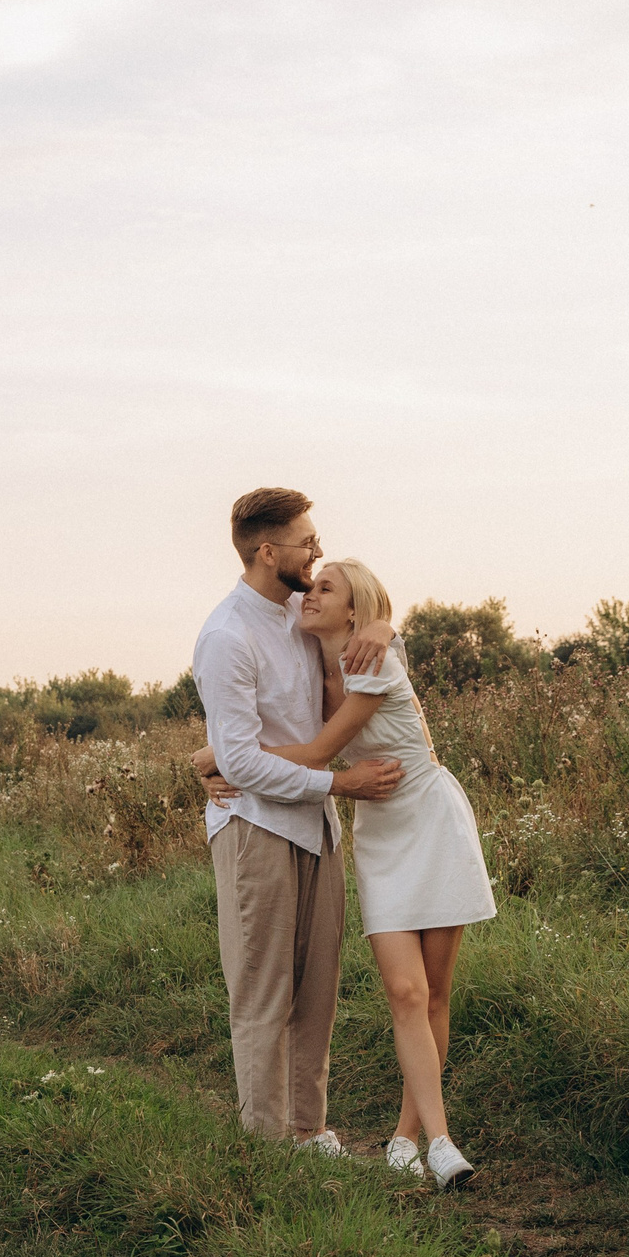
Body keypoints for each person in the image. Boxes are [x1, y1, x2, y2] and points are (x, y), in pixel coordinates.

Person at [197, 558, 498, 1190]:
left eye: (325, 587)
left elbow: (315, 753)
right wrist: (220, 753)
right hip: (380, 837)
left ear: (354, 612)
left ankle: (414, 1140)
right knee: (407, 993)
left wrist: (219, 756)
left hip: (431, 823)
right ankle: (408, 1141)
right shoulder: (310, 660)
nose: (309, 589)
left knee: (433, 993)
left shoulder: (373, 663)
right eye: (311, 574)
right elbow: (284, 724)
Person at [191, 488, 402, 1154]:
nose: (317, 551)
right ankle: (265, 1146)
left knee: (316, 993)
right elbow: (242, 764)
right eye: (307, 542)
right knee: (262, 993)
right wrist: (340, 782)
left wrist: (383, 624)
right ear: (268, 551)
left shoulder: (300, 609)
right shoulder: (226, 635)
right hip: (254, 826)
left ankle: (310, 1132)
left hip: (316, 827)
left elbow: (365, 620)